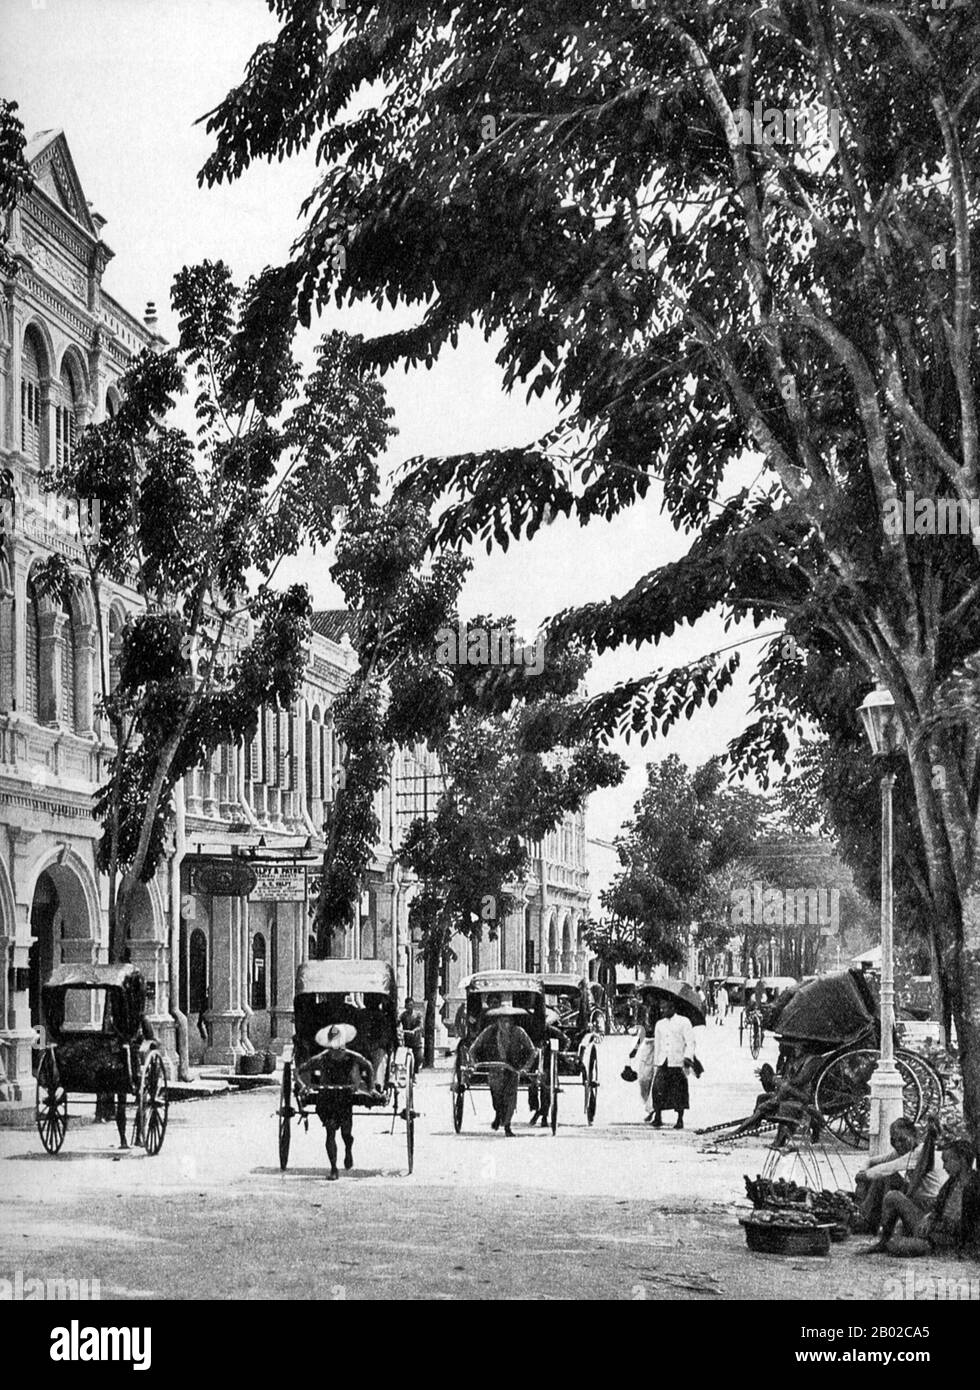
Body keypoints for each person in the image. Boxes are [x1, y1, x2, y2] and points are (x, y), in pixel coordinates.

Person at [859, 1139, 980, 1257]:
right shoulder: (952, 1182)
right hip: (933, 1229)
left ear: (962, 1161)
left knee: (895, 1245)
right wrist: (930, 1218)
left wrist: (936, 1227)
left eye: (947, 1161)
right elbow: (938, 1207)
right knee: (893, 1196)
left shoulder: (974, 1186)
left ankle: (915, 1244)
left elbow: (966, 1226)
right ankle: (883, 1241)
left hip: (942, 1240)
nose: (943, 1166)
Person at [852, 1118, 942, 1233]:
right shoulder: (903, 1152)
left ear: (914, 1137)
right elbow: (871, 1161)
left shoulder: (920, 1152)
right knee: (882, 1178)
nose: (898, 1144)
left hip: (927, 1206)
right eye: (893, 1140)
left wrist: (863, 1177)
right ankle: (867, 1218)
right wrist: (862, 1174)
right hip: (917, 1200)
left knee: (886, 1179)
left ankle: (868, 1220)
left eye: (902, 1140)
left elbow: (888, 1168)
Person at [309, 1022, 375, 1180]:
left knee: (346, 1133)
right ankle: (333, 1168)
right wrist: (305, 1086)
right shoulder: (323, 1057)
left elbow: (369, 1066)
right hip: (327, 1097)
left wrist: (371, 1088)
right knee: (330, 1129)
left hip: (344, 1097)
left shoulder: (351, 1056)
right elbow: (300, 1070)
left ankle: (348, 1150)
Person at [468, 1006, 537, 1136]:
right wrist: (474, 1064)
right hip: (494, 1070)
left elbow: (532, 1051)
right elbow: (473, 1048)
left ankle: (507, 1126)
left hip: (513, 1069)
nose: (505, 1024)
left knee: (510, 1098)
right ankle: (499, 1114)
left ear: (512, 1022)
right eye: (502, 1021)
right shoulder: (489, 1031)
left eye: (508, 1021)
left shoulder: (519, 1032)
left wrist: (525, 1068)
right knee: (497, 1099)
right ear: (497, 1022)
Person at [649, 999, 695, 1129]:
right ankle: (658, 1117)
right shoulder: (659, 1024)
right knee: (658, 1088)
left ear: (673, 1007)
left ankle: (680, 1119)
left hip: (677, 1060)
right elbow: (657, 1044)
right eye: (661, 1008)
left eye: (665, 1008)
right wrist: (656, 1062)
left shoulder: (684, 1022)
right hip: (663, 1061)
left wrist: (687, 1057)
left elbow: (690, 1042)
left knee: (679, 1091)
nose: (662, 1010)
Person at [628, 1002, 659, 1123]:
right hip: (648, 1044)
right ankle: (650, 1106)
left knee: (656, 1080)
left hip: (660, 1046)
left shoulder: (663, 1013)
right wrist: (635, 1049)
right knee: (643, 1078)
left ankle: (654, 1110)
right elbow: (643, 1032)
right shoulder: (644, 1009)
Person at [399, 997, 424, 1074]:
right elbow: (398, 1022)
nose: (409, 1007)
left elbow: (420, 1026)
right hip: (407, 1041)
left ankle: (415, 1073)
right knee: (404, 1057)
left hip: (416, 1041)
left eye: (411, 1005)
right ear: (405, 1006)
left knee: (419, 1058)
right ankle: (407, 1072)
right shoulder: (403, 1015)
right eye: (408, 1005)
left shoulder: (418, 1015)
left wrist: (414, 1030)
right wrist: (398, 1029)